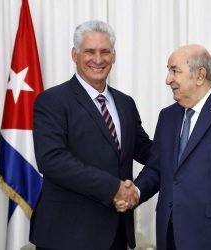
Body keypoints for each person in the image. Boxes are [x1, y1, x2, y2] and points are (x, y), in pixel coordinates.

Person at [116, 44, 211, 250]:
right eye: (168, 70)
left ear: (200, 75)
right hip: (170, 238)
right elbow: (157, 168)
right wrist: (136, 192)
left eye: (174, 71)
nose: (168, 79)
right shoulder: (167, 117)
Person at [29, 20, 152, 250]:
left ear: (113, 56)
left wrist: (187, 149)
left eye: (105, 52)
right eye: (90, 52)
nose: (98, 59)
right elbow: (52, 161)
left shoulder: (125, 103)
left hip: (116, 234)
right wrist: (114, 188)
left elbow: (146, 151)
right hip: (66, 235)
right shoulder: (52, 101)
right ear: (74, 54)